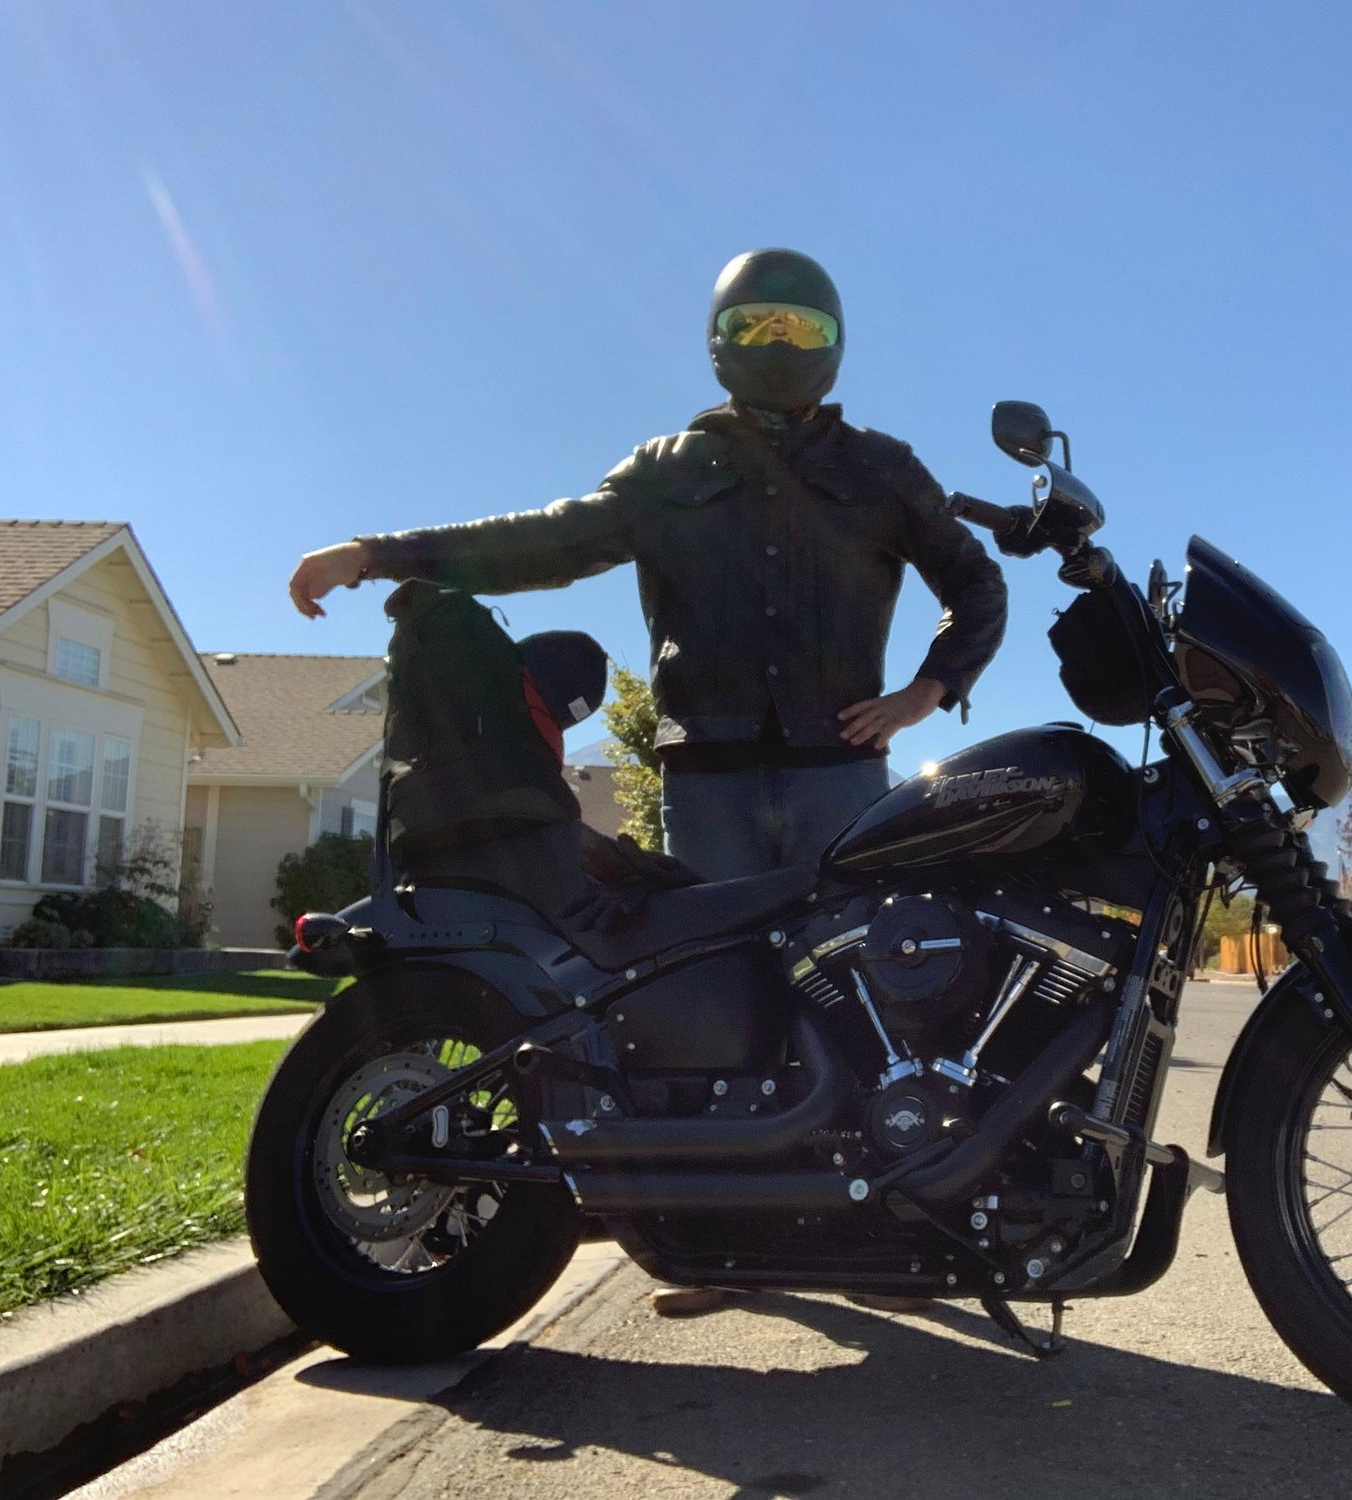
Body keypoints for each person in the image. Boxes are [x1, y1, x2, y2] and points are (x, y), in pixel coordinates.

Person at [287, 248, 1008, 1313]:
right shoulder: (669, 467)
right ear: (719, 342)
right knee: (709, 1010)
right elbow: (546, 542)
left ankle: (882, 1233)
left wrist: (924, 693)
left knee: (861, 999)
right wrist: (380, 553)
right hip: (706, 778)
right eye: (756, 326)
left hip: (840, 778)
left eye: (800, 328)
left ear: (835, 344)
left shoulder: (883, 468)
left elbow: (976, 583)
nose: (778, 346)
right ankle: (730, 1245)